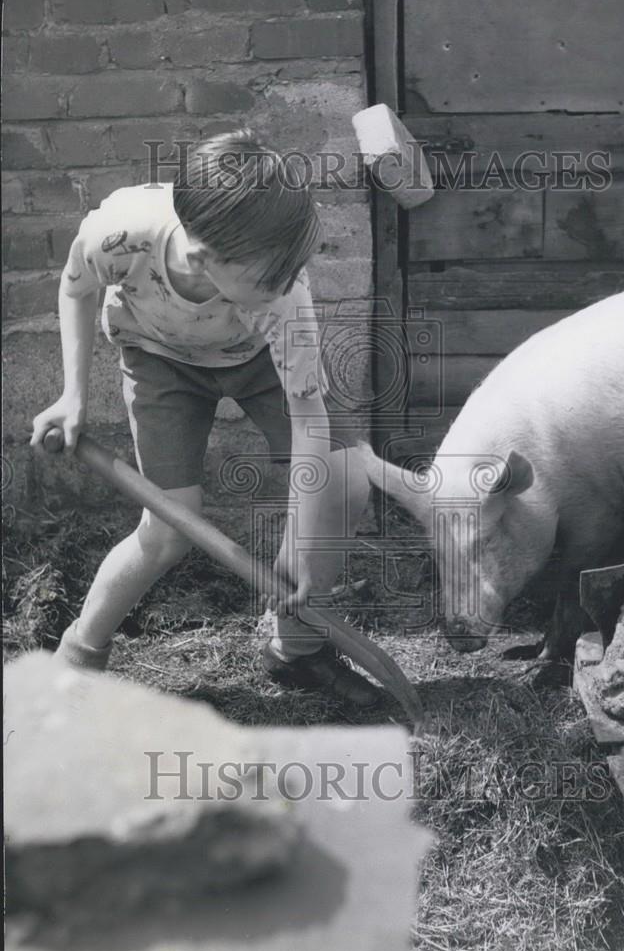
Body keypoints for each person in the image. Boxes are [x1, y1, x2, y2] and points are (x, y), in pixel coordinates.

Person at [30, 128, 378, 708]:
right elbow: (76, 291)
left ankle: (296, 647)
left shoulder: (283, 293)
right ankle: (77, 658)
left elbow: (309, 425)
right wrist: (73, 396)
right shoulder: (118, 234)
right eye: (269, 277)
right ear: (202, 257)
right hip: (159, 359)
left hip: (258, 361)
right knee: (168, 529)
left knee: (343, 480)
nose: (286, 284)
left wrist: (306, 553)